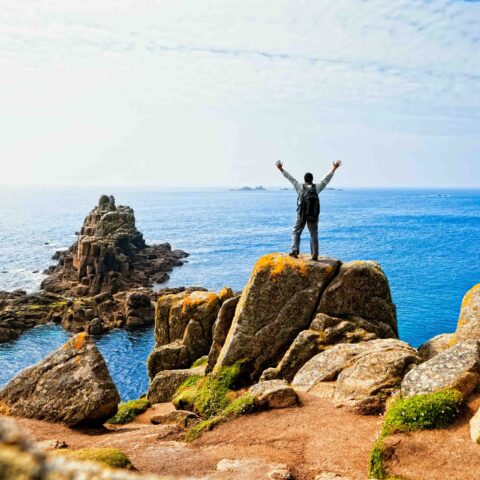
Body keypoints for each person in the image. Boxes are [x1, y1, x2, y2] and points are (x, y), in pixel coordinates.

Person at [275, 159, 342, 260]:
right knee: (313, 234)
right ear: (312, 179)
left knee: (296, 231)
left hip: (301, 215)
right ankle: (314, 255)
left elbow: (291, 179)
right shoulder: (317, 188)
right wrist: (334, 168)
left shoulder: (300, 187)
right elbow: (326, 179)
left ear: (304, 179)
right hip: (313, 216)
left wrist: (281, 169)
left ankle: (295, 251)